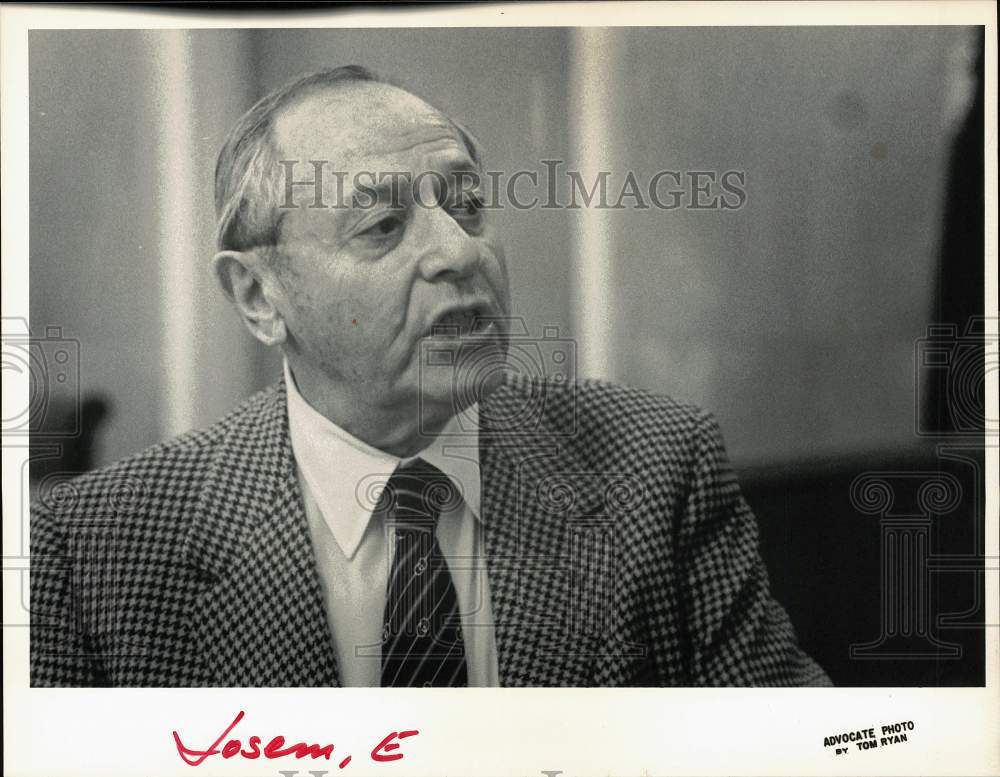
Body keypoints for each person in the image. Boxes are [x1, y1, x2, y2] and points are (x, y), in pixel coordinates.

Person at [30, 65, 831, 687]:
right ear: (258, 294)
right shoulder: (93, 547)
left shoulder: (655, 465)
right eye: (382, 225)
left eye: (469, 205)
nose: (459, 251)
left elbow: (804, 750)